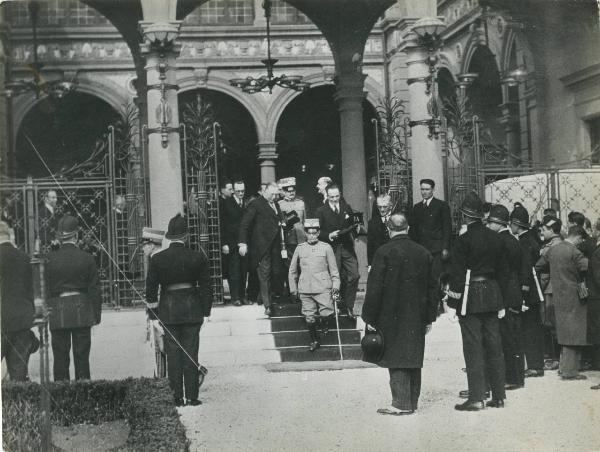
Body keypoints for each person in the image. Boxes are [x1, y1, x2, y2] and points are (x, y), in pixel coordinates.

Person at [362, 213, 438, 416]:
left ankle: (400, 404)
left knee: (396, 354)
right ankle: (412, 400)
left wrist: (369, 317)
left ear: (389, 229)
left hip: (390, 313)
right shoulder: (423, 252)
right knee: (413, 353)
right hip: (417, 313)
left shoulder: (384, 252)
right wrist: (430, 317)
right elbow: (433, 287)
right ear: (408, 228)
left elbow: (375, 288)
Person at [446, 192, 506, 411]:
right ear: (481, 215)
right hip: (492, 292)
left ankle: (477, 397)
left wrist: (452, 304)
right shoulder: (496, 238)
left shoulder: (463, 240)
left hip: (471, 295)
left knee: (473, 347)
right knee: (494, 345)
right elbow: (502, 271)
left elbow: (457, 274)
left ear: (464, 215)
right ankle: (498, 396)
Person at [146, 214, 212, 406]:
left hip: (168, 310)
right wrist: (206, 312)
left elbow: (150, 290)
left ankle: (176, 397)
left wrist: (153, 315)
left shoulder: (157, 259)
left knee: (173, 353)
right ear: (186, 236)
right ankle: (192, 396)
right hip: (192, 309)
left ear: (169, 236)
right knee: (191, 352)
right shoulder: (198, 257)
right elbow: (207, 287)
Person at [47, 215, 102, 381]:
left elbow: (46, 288)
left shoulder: (50, 259)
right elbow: (94, 289)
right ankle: (83, 398)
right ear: (76, 235)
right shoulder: (87, 258)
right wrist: (96, 316)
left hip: (58, 310)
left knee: (60, 359)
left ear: (60, 237)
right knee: (82, 357)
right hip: (81, 309)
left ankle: (62, 397)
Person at [536, 225, 589, 380]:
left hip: (557, 294)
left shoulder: (553, 249)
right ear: (578, 237)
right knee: (574, 331)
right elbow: (588, 268)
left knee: (563, 329)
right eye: (581, 240)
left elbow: (538, 266)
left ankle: (564, 367)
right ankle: (570, 371)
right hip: (574, 294)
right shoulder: (575, 252)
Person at [488, 205, 526, 390]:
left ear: (497, 223)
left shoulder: (498, 242)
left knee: (506, 337)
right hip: (515, 291)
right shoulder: (513, 240)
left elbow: (499, 272)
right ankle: (517, 376)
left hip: (505, 293)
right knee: (515, 336)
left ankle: (512, 378)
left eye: (490, 222)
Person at [288, 219, 340, 352]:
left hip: (323, 287)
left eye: (314, 233)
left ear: (318, 233)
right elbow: (292, 270)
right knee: (309, 316)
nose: (312, 236)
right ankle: (314, 340)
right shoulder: (300, 249)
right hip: (305, 288)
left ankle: (325, 322)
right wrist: (293, 289)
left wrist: (336, 286)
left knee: (327, 313)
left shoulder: (326, 248)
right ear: (305, 233)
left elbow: (334, 270)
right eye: (309, 233)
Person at [238, 182, 285, 317]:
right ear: (265, 192)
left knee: (275, 273)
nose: (275, 197)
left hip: (276, 246)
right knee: (265, 274)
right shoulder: (256, 204)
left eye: (276, 194)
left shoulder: (275, 204)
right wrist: (242, 243)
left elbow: (278, 219)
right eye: (272, 194)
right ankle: (268, 305)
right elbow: (244, 225)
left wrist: (283, 221)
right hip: (262, 246)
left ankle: (262, 297)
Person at [316, 184, 360, 317]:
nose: (335, 199)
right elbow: (317, 231)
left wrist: (357, 229)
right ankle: (334, 306)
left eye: (337, 196)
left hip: (346, 247)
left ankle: (349, 306)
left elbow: (353, 223)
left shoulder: (346, 207)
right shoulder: (321, 211)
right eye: (332, 197)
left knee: (354, 275)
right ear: (327, 196)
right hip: (332, 248)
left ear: (340, 194)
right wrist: (328, 235)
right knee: (334, 278)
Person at [0, 221, 35, 381]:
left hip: (2, 319)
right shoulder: (24, 257)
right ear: (9, 236)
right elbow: (30, 289)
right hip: (22, 318)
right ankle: (20, 404)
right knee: (19, 373)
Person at [408, 179, 452, 302]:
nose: (424, 192)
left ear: (433, 190)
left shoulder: (441, 206)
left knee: (435, 277)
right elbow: (413, 230)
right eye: (422, 189)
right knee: (422, 277)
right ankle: (428, 304)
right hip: (421, 249)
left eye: (427, 189)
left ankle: (436, 303)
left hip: (436, 249)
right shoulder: (417, 207)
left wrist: (445, 248)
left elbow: (447, 228)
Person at [536, 215, 564, 372]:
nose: (542, 231)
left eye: (544, 229)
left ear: (552, 230)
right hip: (557, 287)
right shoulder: (558, 243)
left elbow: (539, 265)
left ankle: (555, 359)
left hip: (551, 287)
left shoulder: (552, 246)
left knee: (551, 323)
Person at [221, 181, 249, 306]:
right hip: (231, 243)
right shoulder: (226, 204)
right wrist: (224, 243)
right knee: (234, 271)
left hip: (243, 243)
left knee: (243, 271)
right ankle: (235, 297)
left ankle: (243, 296)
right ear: (233, 191)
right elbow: (222, 225)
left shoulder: (245, 204)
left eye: (242, 191)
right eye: (238, 191)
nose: (241, 193)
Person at [367, 194, 392, 268]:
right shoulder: (372, 223)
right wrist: (370, 264)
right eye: (379, 207)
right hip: (379, 261)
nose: (382, 209)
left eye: (385, 207)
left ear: (390, 206)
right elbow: (370, 245)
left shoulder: (397, 219)